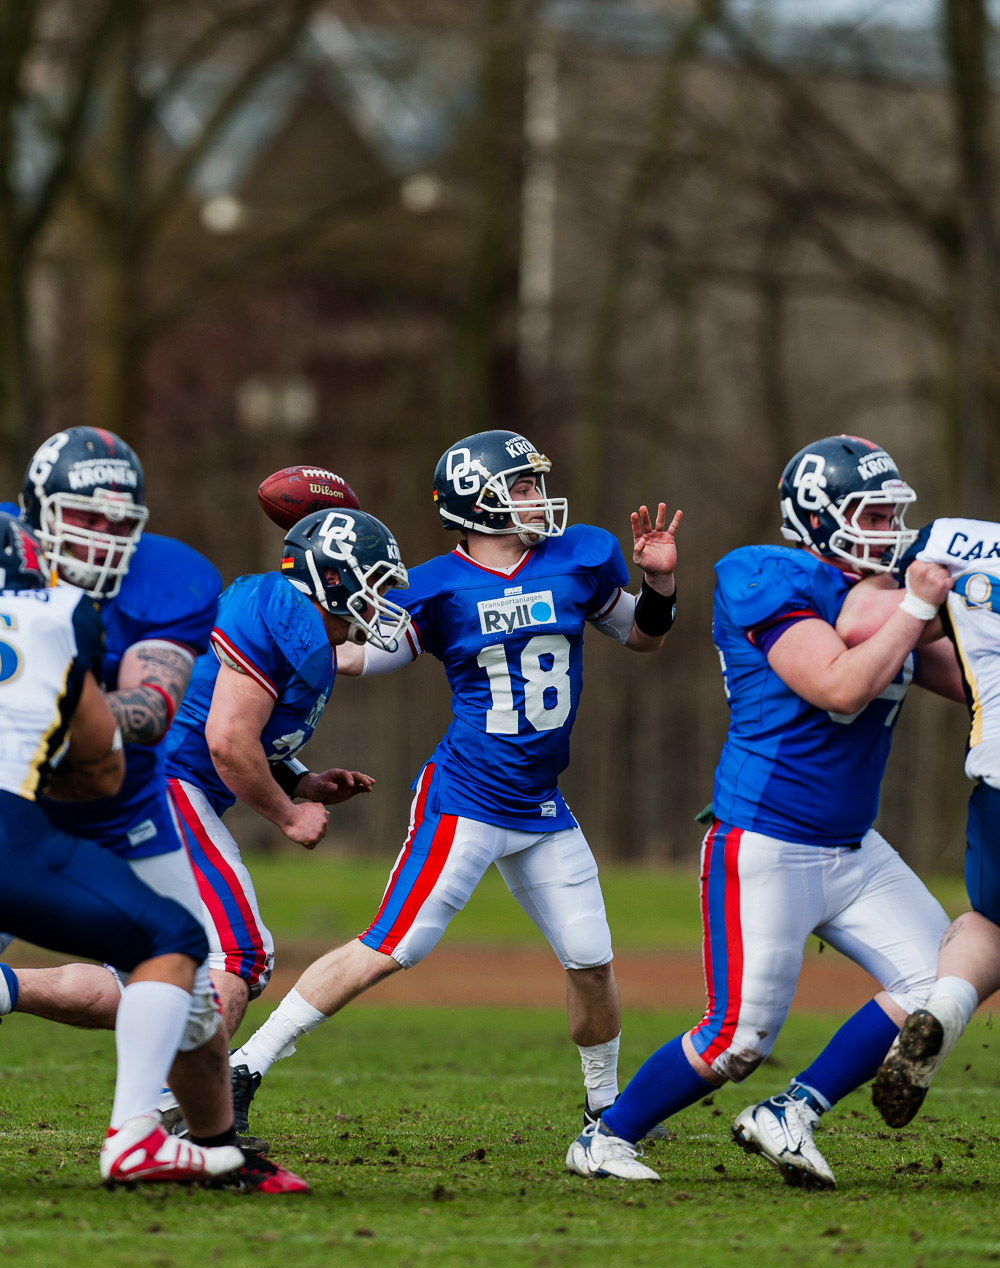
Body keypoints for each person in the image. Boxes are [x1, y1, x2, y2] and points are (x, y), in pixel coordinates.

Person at [228, 428, 680, 1142]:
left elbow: (644, 637)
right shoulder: (432, 586)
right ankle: (243, 1069)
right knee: (391, 946)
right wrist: (299, 598)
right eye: (522, 484)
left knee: (591, 960)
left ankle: (605, 1111)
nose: (537, 497)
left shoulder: (582, 555)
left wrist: (659, 584)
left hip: (542, 804)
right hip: (465, 797)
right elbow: (356, 658)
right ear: (481, 499)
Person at [566, 434, 956, 1185]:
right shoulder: (765, 574)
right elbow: (839, 684)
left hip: (852, 845)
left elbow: (967, 680)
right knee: (733, 1042)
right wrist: (918, 605)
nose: (886, 530)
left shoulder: (887, 604)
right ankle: (605, 1137)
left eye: (890, 513)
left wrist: (974, 617)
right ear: (817, 518)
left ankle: (793, 1112)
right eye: (870, 514)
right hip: (766, 840)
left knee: (939, 986)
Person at [0, 427, 306, 1192]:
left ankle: (217, 1151)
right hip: (16, 799)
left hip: (120, 807)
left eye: (117, 523)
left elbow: (148, 713)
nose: (103, 539)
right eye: (84, 518)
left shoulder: (170, 578)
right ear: (36, 515)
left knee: (192, 989)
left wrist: (65, 699)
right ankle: (137, 1136)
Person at [161, 506, 407, 1138]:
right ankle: (176, 1115)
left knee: (144, 968)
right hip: (167, 784)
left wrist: (300, 778)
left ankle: (8, 988)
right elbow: (225, 739)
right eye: (373, 583)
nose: (380, 599)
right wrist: (287, 812)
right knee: (240, 952)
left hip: (176, 783)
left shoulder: (303, 626)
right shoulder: (281, 613)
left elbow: (250, 731)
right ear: (333, 579)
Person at [847, 517, 1000, 1127]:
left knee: (988, 921)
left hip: (997, 785)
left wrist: (925, 599)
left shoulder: (962, 541)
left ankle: (947, 1003)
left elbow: (859, 623)